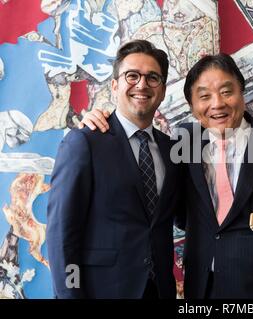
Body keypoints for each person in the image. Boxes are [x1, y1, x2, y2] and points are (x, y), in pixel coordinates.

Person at [81, 53, 253, 299]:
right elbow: (171, 207)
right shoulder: (183, 144)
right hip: (202, 291)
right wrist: (101, 121)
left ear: (242, 92)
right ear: (192, 107)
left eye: (226, 91)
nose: (217, 104)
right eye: (204, 97)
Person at [47, 40, 180, 299]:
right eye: (132, 76)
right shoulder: (84, 142)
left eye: (153, 78)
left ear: (162, 91)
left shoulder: (171, 151)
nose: (142, 84)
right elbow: (62, 236)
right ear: (115, 85)